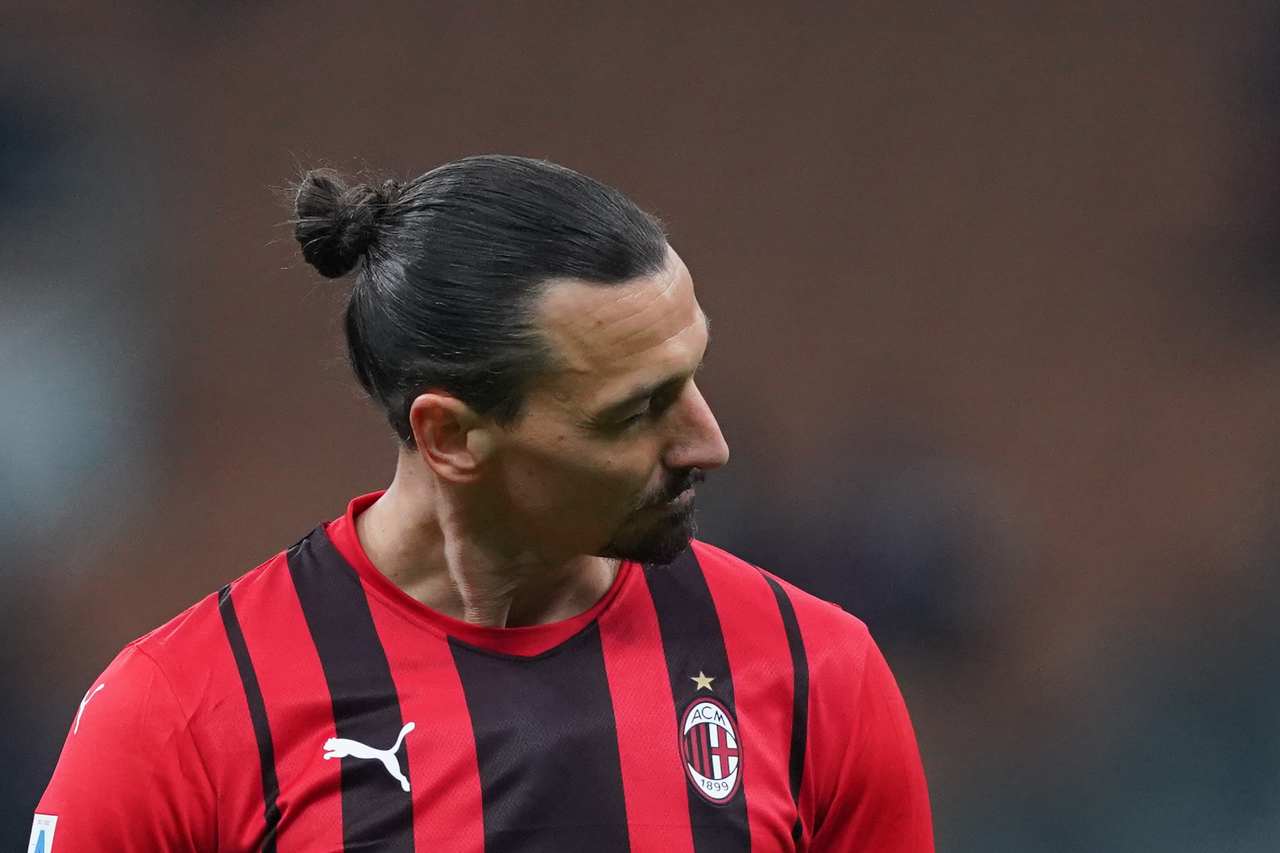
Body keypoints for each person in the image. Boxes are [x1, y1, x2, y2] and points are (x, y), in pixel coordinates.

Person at [32, 155, 933, 852]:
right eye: (637, 410)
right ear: (453, 437)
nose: (710, 443)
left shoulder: (815, 673)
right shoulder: (183, 715)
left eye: (691, 374)